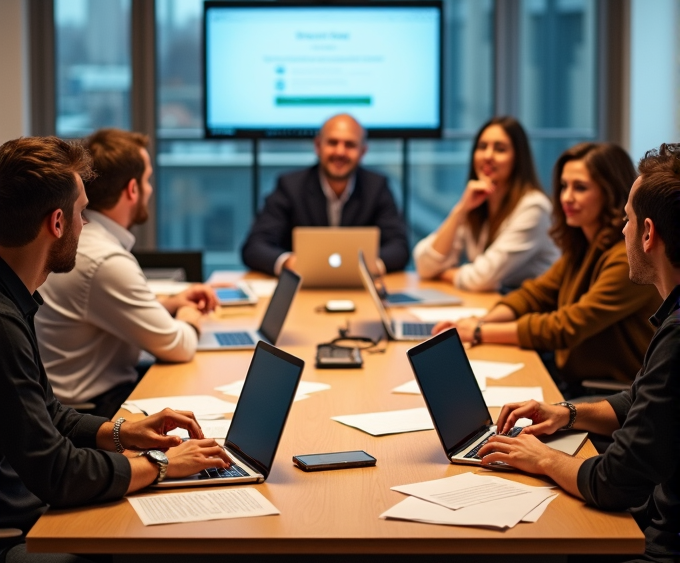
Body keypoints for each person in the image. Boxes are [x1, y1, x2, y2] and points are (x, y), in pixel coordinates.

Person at [438, 142, 680, 563]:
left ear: (647, 233)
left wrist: (539, 459)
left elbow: (612, 484)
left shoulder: (677, 337)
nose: (619, 231)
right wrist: (569, 416)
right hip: (664, 534)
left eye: (623, 220)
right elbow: (643, 403)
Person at [0, 135, 240, 563]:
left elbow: (48, 415)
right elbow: (53, 469)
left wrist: (123, 431)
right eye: (83, 212)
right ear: (58, 222)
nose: (88, 224)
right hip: (8, 544)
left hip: (28, 522)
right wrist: (162, 467)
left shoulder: (16, 297)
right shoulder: (2, 320)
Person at [432, 141, 661, 396]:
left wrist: (478, 331)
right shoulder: (584, 245)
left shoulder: (626, 258)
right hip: (575, 379)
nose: (566, 197)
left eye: (580, 188)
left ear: (610, 193)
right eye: (564, 186)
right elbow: (535, 294)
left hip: (608, 392)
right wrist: (481, 321)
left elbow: (566, 326)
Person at [35, 128, 219, 418]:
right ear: (132, 189)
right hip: (92, 410)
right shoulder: (103, 258)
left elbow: (101, 307)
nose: (149, 189)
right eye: (147, 180)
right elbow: (178, 346)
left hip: (77, 400)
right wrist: (189, 317)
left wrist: (169, 303)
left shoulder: (94, 245)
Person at [241, 113, 409, 275]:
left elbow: (399, 247)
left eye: (350, 145)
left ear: (363, 151)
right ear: (318, 146)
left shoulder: (377, 187)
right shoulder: (290, 186)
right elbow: (255, 247)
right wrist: (289, 263)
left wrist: (372, 266)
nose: (340, 152)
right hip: (302, 289)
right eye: (332, 143)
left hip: (359, 289)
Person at [413, 117, 558, 291]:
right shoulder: (478, 201)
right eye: (482, 147)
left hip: (534, 311)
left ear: (518, 158)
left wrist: (445, 273)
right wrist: (460, 210)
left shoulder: (534, 207)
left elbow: (481, 278)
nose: (488, 156)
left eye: (500, 149)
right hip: (497, 303)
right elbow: (424, 265)